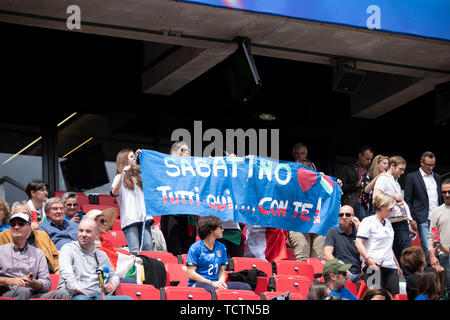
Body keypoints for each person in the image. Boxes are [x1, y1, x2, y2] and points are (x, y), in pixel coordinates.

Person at [44, 218, 132, 300]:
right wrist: (75, 288)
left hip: (96, 295)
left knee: (128, 299)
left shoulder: (101, 254)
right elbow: (66, 273)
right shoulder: (68, 249)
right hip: (74, 294)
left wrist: (112, 284)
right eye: (81, 231)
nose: (83, 234)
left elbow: (114, 276)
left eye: (88, 231)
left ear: (96, 234)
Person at [373, 155, 416, 277]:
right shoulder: (384, 179)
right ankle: (411, 281)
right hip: (392, 221)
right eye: (400, 169)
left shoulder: (395, 182)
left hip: (398, 220)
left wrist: (408, 222)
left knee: (400, 252)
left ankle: (407, 281)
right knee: (405, 252)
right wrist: (394, 198)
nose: (403, 172)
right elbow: (375, 197)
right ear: (392, 166)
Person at [186, 215, 251, 293]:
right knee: (213, 290)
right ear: (211, 230)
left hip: (216, 283)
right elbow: (191, 273)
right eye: (220, 227)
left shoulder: (222, 247)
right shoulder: (195, 248)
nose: (223, 230)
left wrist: (221, 281)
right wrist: (211, 283)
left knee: (246, 287)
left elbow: (222, 271)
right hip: (198, 284)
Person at [355, 191, 403, 296]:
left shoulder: (389, 223)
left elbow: (388, 246)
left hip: (390, 266)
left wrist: (397, 265)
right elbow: (359, 243)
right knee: (376, 296)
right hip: (374, 265)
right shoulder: (368, 221)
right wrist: (368, 260)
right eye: (390, 208)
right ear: (382, 207)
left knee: (393, 296)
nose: (392, 211)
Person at [111, 148, 153, 254]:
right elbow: (114, 192)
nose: (134, 158)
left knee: (148, 249)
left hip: (144, 218)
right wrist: (124, 172)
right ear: (124, 160)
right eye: (131, 156)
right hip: (130, 219)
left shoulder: (139, 176)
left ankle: (148, 270)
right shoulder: (119, 177)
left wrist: (143, 157)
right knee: (134, 251)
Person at [0, 212, 51, 299]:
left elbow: (46, 284)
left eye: (21, 224)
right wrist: (10, 281)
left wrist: (34, 283)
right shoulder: (1, 251)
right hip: (9, 292)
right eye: (13, 224)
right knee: (23, 291)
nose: (16, 227)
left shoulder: (38, 253)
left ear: (29, 229)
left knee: (62, 293)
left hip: (33, 292)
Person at [0, 201, 60, 274]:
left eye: (24, 214)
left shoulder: (42, 235)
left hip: (48, 274)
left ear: (30, 218)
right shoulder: (4, 236)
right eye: (17, 215)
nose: (20, 217)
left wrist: (57, 270)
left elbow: (55, 256)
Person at [405, 152, 444, 260]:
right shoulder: (412, 177)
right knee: (427, 247)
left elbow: (439, 197)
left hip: (437, 218)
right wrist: (411, 218)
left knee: (438, 246)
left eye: (433, 165)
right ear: (421, 162)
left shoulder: (436, 177)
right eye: (428, 165)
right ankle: (429, 272)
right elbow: (407, 200)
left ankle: (438, 272)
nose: (431, 167)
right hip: (423, 218)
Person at [288, 142, 324, 262]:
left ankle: (318, 281)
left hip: (316, 224)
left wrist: (332, 183)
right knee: (302, 256)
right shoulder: (289, 182)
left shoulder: (320, 183)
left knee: (318, 259)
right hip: (297, 223)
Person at [160, 141, 197, 256]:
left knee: (189, 254)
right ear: (174, 153)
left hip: (188, 217)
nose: (186, 153)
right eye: (183, 150)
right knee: (174, 253)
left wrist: (212, 163)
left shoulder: (194, 170)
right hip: (171, 214)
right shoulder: (166, 169)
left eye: (188, 151)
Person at [83, 209, 138, 282]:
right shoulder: (85, 243)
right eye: (102, 221)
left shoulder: (107, 243)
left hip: (112, 276)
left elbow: (115, 259)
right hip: (94, 277)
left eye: (106, 221)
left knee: (131, 281)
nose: (105, 224)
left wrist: (128, 259)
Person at [324, 205, 362, 282]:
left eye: (347, 215)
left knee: (377, 277)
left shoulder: (359, 232)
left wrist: (360, 230)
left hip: (358, 274)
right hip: (340, 274)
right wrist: (341, 269)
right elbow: (327, 254)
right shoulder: (332, 232)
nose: (344, 217)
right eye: (341, 215)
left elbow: (370, 249)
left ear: (353, 217)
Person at [428, 178, 450, 299]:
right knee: (447, 289)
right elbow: (432, 235)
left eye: (449, 192)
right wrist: (432, 255)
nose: (447, 195)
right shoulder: (437, 211)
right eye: (444, 192)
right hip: (444, 255)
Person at [339, 146, 374, 220]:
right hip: (354, 202)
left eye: (371, 159)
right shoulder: (348, 168)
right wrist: (356, 185)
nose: (369, 161)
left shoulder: (371, 170)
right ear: (360, 156)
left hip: (369, 203)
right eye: (367, 159)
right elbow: (342, 187)